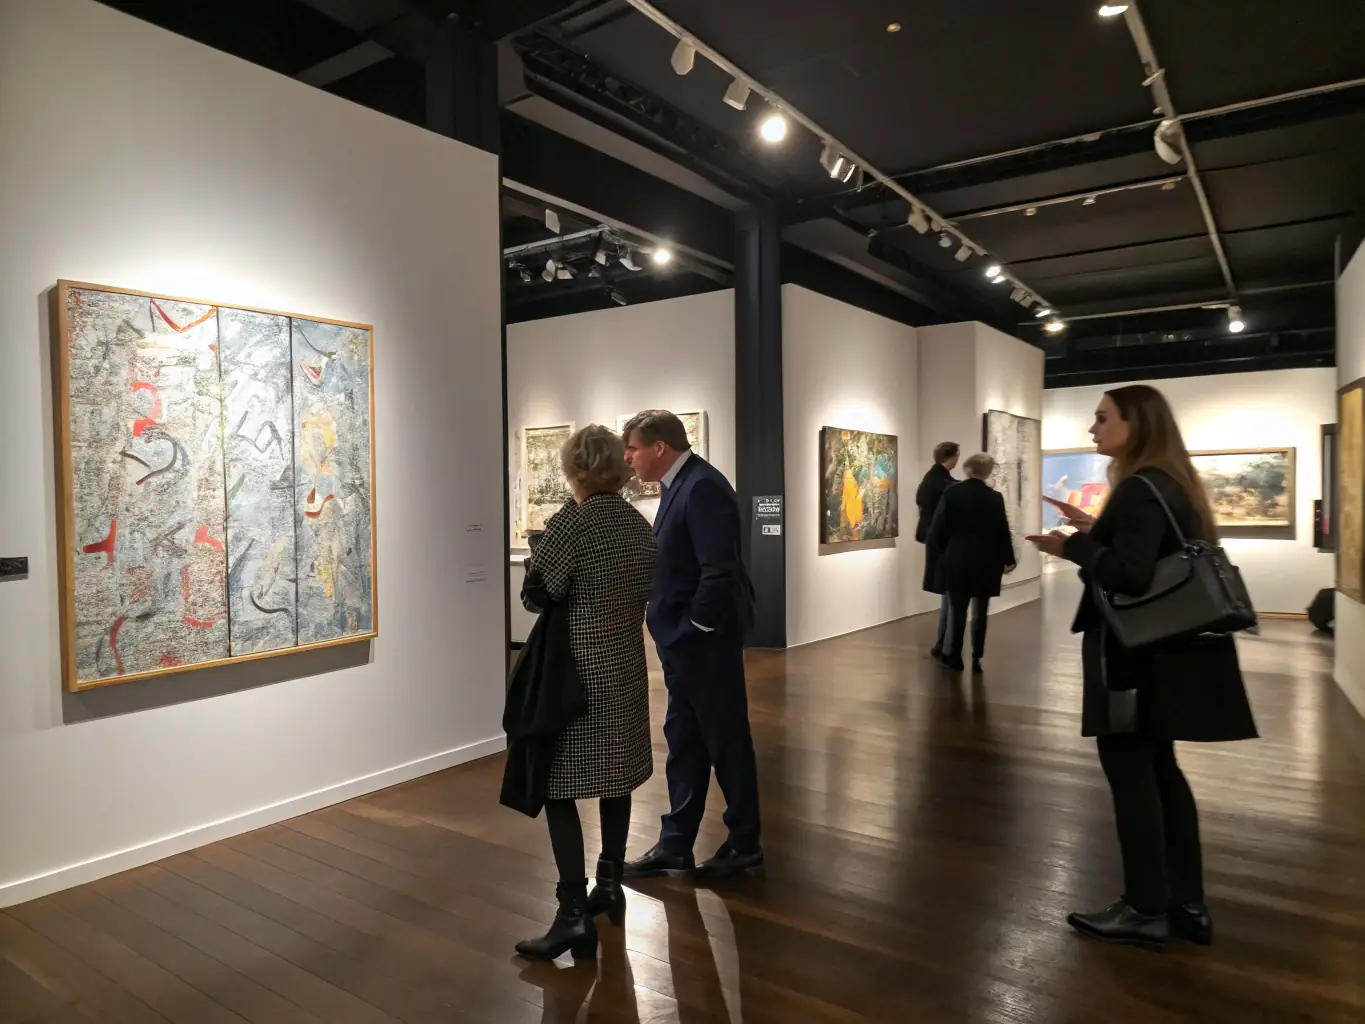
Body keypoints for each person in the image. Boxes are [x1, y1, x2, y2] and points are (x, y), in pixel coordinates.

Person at [1027, 385, 1257, 950]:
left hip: (1131, 658)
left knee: (1132, 776)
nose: (1092, 429)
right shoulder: (1171, 484)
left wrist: (1071, 549)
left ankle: (1145, 908)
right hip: (1167, 654)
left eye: (1102, 418)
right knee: (1163, 775)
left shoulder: (1137, 489)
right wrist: (1093, 529)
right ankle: (1186, 904)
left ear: (1137, 424)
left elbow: (1128, 575)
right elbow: (1147, 557)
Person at [513, 425, 657, 961]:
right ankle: (611, 886)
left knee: (558, 786)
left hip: (575, 674)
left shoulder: (573, 523)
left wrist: (540, 548)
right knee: (616, 779)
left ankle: (573, 913)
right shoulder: (637, 524)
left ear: (574, 469)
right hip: (624, 667)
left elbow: (538, 594)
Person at [619, 409, 762, 879]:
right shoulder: (681, 485)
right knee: (685, 739)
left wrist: (693, 632)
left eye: (634, 448)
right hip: (684, 644)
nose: (628, 458)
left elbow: (719, 571)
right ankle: (675, 842)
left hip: (704, 643)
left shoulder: (701, 487)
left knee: (725, 740)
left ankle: (745, 844)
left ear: (660, 447)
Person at [927, 452, 1015, 673]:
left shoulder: (952, 493)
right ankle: (977, 656)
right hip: (987, 562)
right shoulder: (994, 497)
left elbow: (937, 530)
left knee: (957, 610)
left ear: (967, 468)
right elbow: (1002, 532)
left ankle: (954, 656)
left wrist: (945, 552)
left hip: (958, 559)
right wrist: (1009, 559)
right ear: (986, 472)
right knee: (980, 612)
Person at [916, 441, 960, 659]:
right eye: (957, 456)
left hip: (938, 540)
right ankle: (945, 645)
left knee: (948, 594)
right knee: (951, 593)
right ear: (952, 457)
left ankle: (942, 643)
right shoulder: (939, 480)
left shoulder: (934, 478)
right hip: (942, 542)